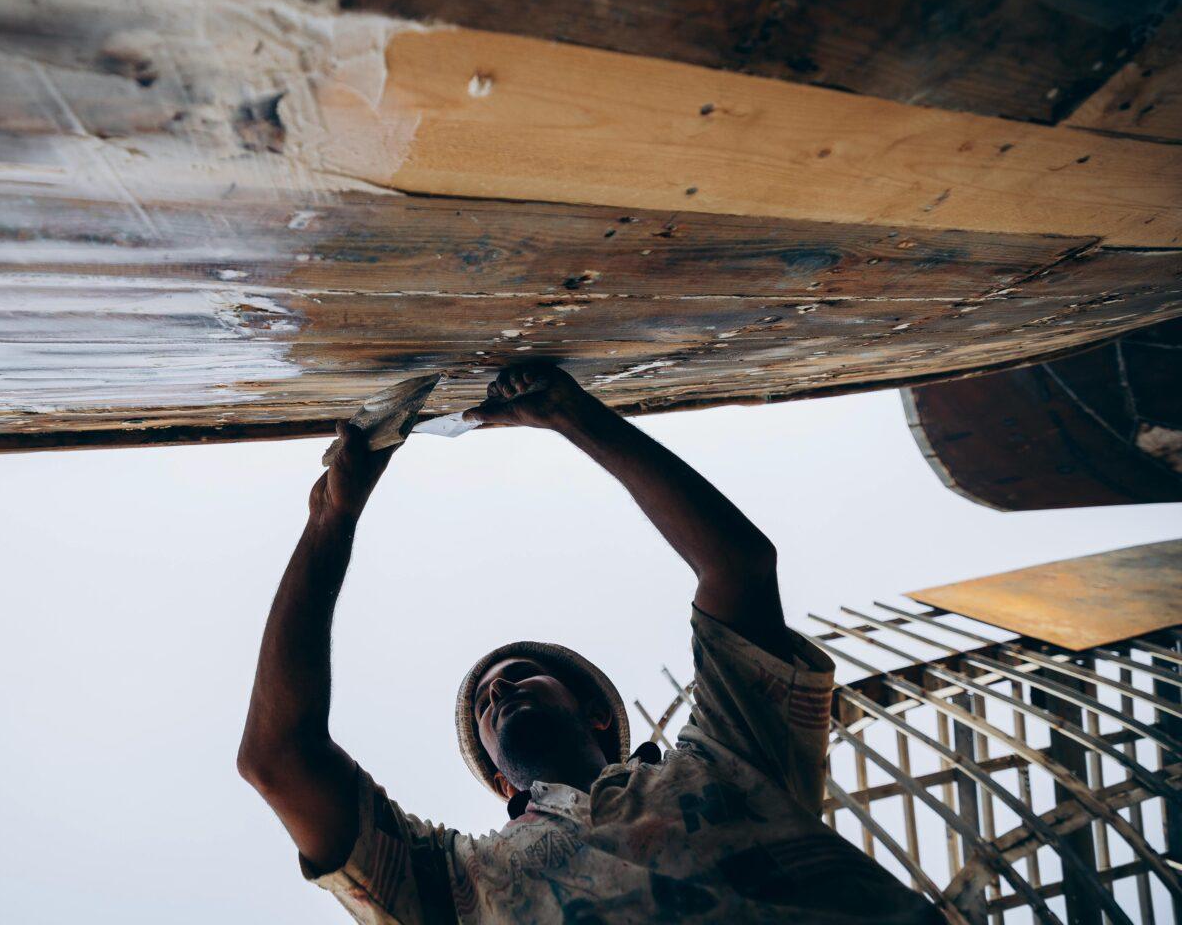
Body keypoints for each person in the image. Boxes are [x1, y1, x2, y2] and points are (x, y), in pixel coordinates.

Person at [238, 364, 943, 923]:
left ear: (598, 713)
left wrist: (575, 417)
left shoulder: (732, 763)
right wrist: (330, 519)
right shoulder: (459, 890)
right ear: (503, 782)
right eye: (486, 703)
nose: (499, 691)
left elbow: (740, 568)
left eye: (516, 676)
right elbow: (278, 759)